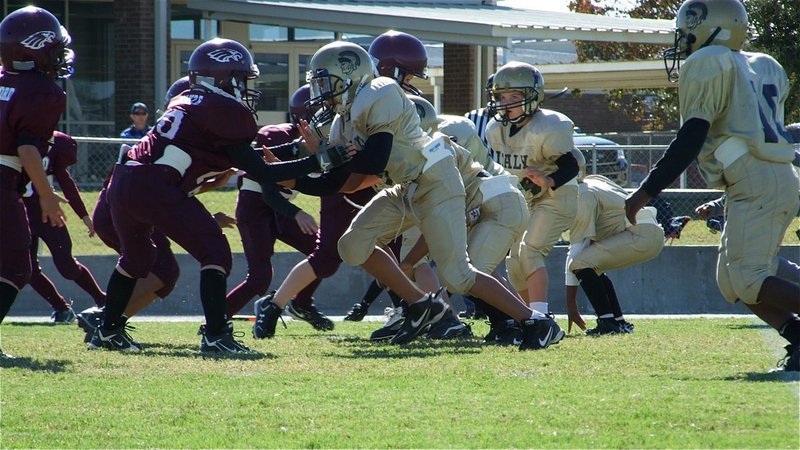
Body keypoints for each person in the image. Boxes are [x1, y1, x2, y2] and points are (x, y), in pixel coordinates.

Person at [254, 41, 563, 350]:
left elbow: (373, 159)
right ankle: (420, 305)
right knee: (351, 244)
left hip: (435, 179)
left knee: (458, 277)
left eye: (325, 83)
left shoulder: (380, 90)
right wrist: (292, 178)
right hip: (405, 185)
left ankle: (535, 322)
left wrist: (312, 162)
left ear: (350, 75)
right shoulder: (342, 123)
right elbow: (342, 184)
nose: (320, 92)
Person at [90, 38, 353, 354]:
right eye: (242, 79)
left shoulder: (187, 101)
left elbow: (247, 156)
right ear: (225, 78)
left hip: (126, 181)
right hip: (156, 185)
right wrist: (323, 159)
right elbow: (263, 171)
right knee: (215, 253)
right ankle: (215, 335)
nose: (246, 88)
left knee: (137, 258)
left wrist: (300, 151)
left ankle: (106, 331)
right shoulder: (225, 111)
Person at [625, 0, 800, 372]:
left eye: (687, 34)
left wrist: (646, 191)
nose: (683, 43)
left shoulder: (709, 61)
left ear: (712, 29)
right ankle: (798, 337)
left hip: (757, 178)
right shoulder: (762, 65)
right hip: (765, 177)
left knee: (749, 279)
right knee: (731, 281)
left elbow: (691, 138)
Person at [225, 84, 335, 330]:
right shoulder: (276, 136)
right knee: (259, 278)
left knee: (325, 255)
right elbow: (269, 191)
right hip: (256, 207)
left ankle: (302, 303)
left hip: (281, 206)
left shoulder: (327, 143)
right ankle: (216, 320)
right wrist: (298, 213)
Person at [0, 6, 74, 355]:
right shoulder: (43, 91)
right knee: (16, 267)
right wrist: (46, 196)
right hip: (3, 178)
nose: (58, 55)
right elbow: (28, 149)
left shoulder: (4, 81)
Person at [485, 61, 580, 317]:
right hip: (525, 198)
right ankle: (527, 316)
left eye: (514, 96)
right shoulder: (496, 129)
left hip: (557, 195)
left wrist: (549, 180)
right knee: (513, 261)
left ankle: (541, 316)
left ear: (531, 96)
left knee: (530, 250)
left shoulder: (549, 125)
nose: (507, 103)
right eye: (502, 97)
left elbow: (571, 164)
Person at [565, 175, 664, 335]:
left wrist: (570, 303)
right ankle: (618, 322)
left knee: (579, 264)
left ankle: (608, 323)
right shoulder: (595, 181)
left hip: (639, 233)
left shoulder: (581, 194)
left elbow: (576, 251)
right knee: (592, 267)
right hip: (650, 232)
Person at [24, 131, 106, 323]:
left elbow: (65, 180)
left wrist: (84, 216)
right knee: (26, 270)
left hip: (47, 212)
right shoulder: (10, 138)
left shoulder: (54, 142)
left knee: (67, 266)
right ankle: (61, 308)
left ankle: (103, 300)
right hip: (18, 213)